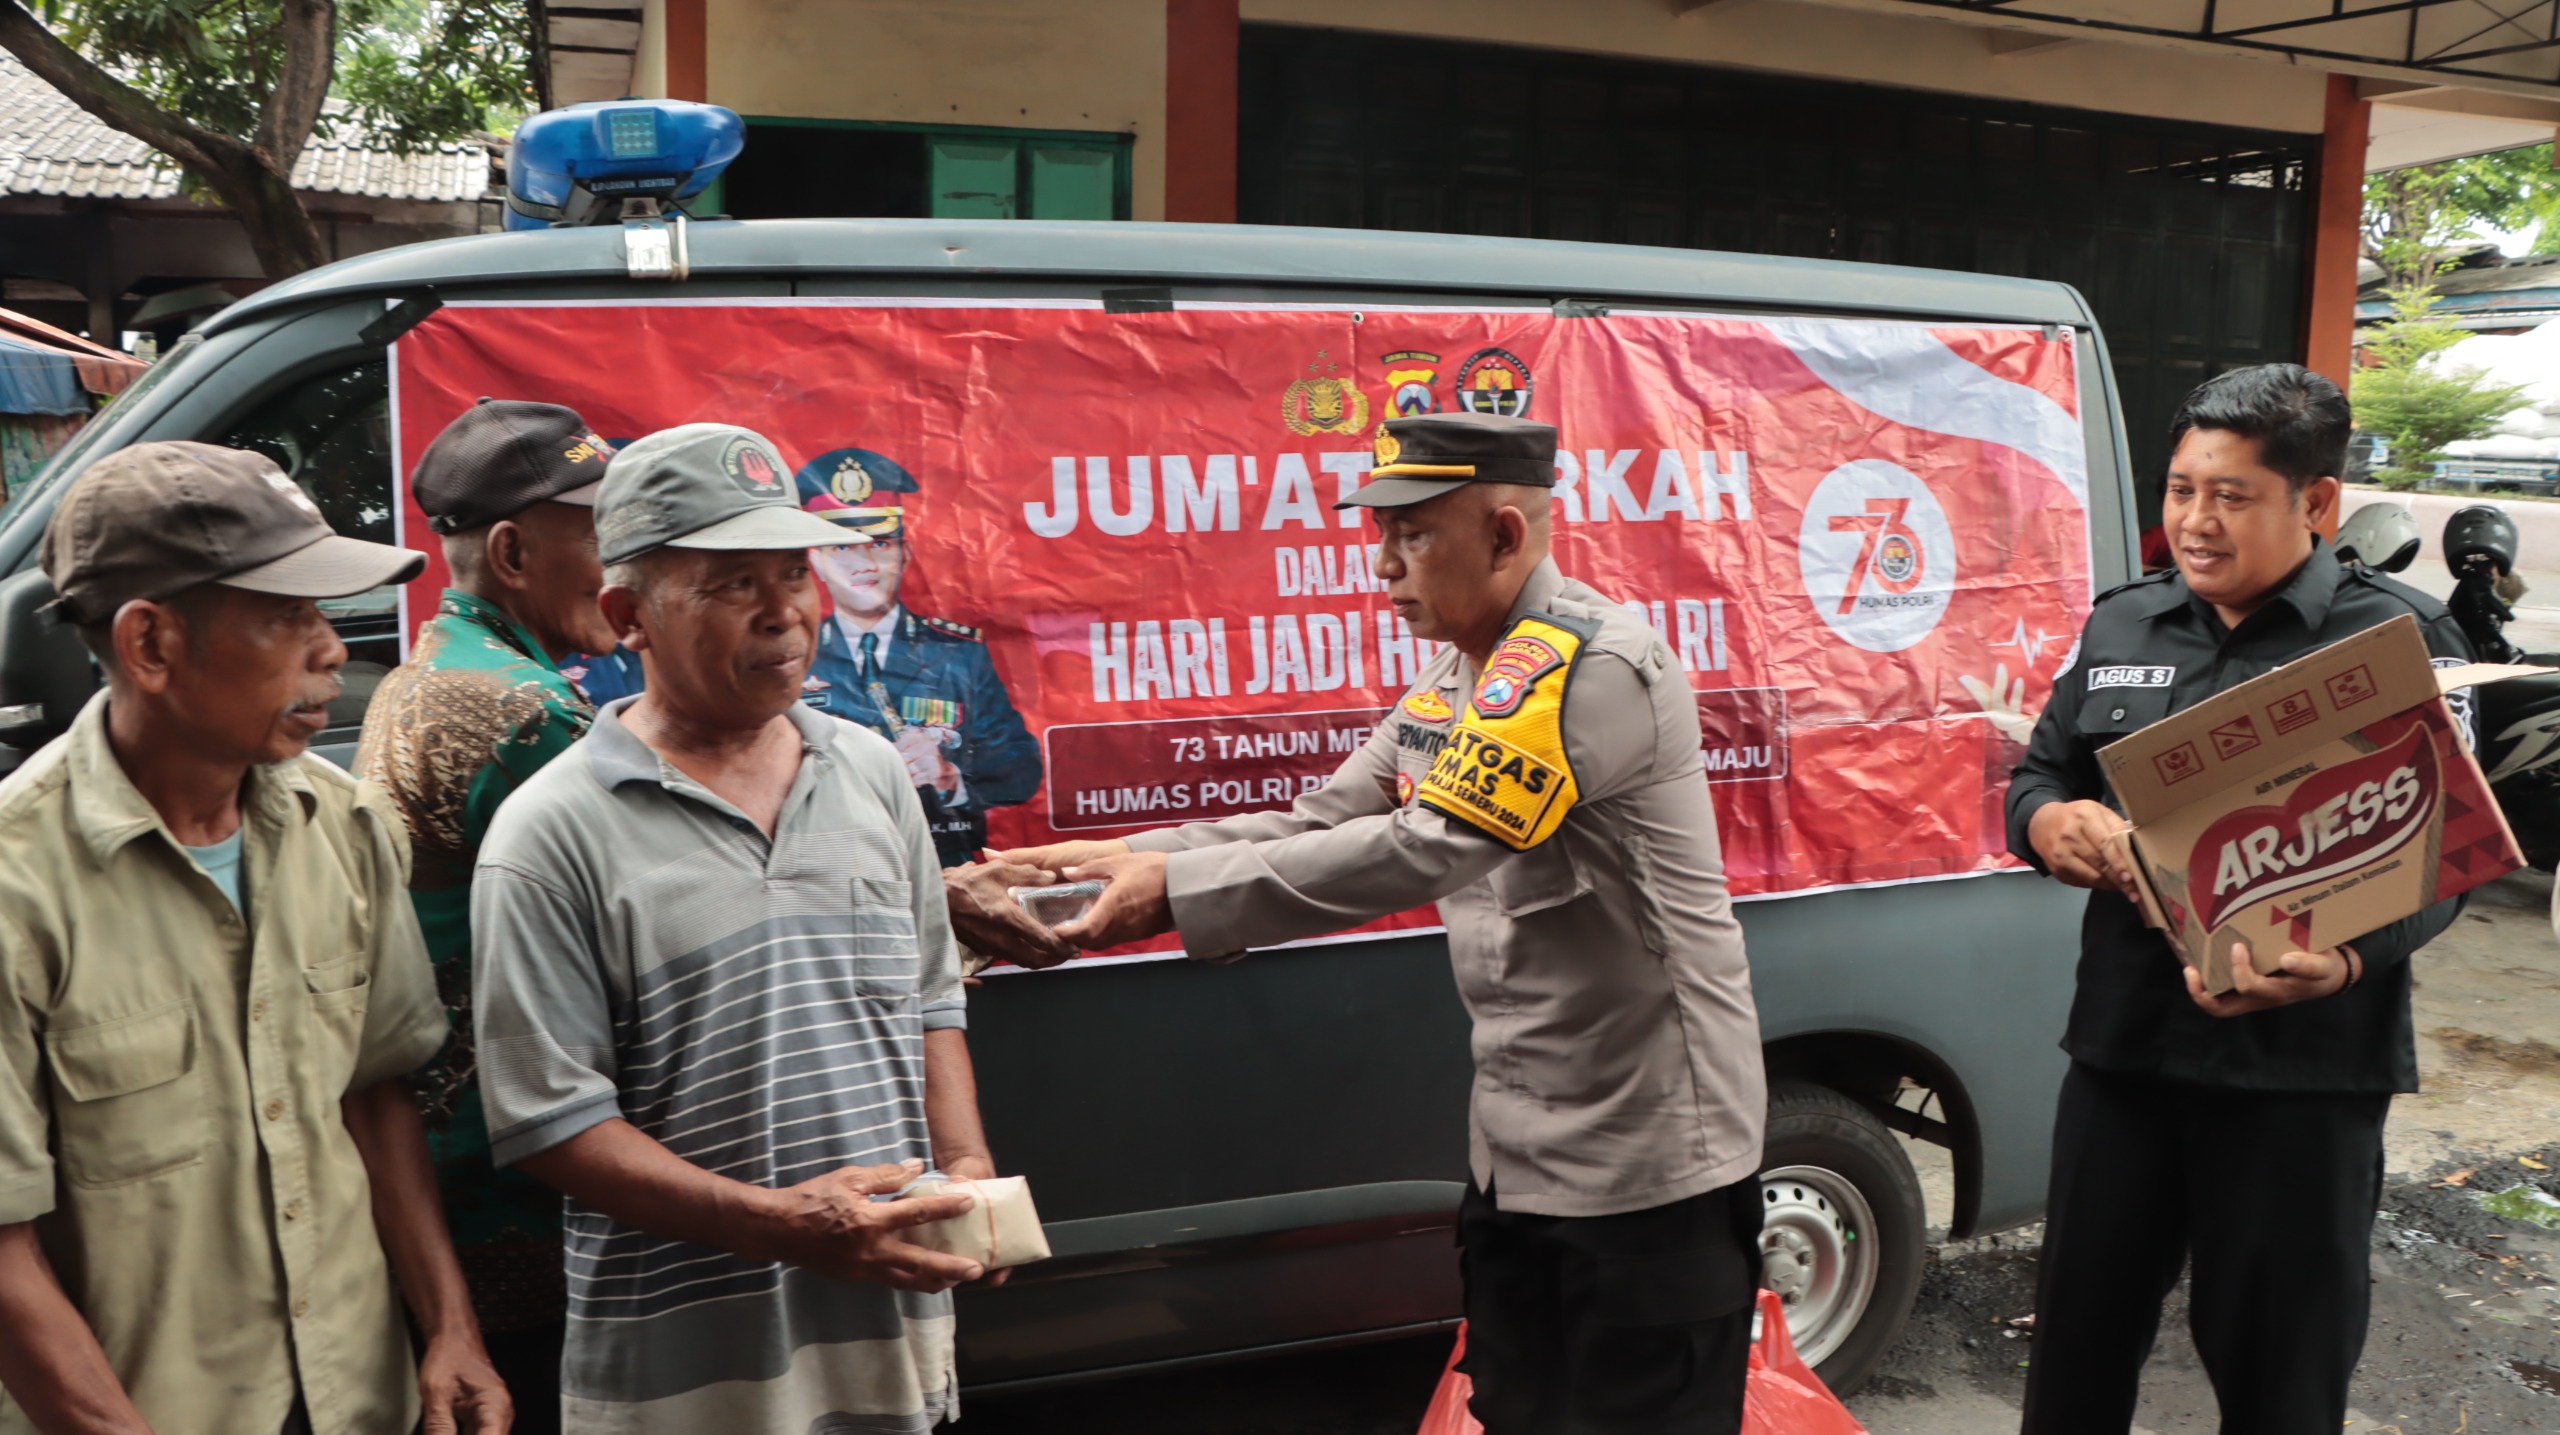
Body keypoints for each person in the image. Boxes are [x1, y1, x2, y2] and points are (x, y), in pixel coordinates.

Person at [1008, 412, 1768, 1435]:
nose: (1383, 566)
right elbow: (1326, 813)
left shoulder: (1589, 671)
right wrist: (1142, 854)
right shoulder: (1461, 676)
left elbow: (1427, 846)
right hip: (1518, 1158)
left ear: (1506, 535)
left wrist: (1174, 898)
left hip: (1648, 1167)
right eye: (1381, 537)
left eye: (1414, 536)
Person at [468, 423, 1012, 1434]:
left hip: (889, 1347)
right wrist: (785, 1227)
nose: (784, 613)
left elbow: (933, 1000)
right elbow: (550, 1125)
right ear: (628, 613)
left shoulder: (868, 769)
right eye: (729, 584)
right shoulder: (550, 831)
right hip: (688, 1380)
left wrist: (966, 1171)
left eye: (790, 574)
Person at [0, 443, 510, 1434]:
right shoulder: (17, 884)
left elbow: (374, 1093)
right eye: (287, 616)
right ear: (149, 644)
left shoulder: (345, 824)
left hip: (355, 1395)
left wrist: (450, 1328)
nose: (331, 650)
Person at [2006, 364, 2470, 1435]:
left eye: (2229, 496)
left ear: (2314, 502)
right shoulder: (2122, 623)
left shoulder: (2391, 641)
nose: (2194, 523)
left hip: (2301, 1082)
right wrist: (2044, 823)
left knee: (2280, 1379)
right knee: (2075, 1354)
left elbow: (2451, 851)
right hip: (2124, 1058)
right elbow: (2038, 774)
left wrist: (2347, 960)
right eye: (2179, 491)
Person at [354, 398, 621, 1433]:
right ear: (512, 551)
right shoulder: (526, 714)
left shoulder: (429, 674)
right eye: (600, 532)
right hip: (514, 1183)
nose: (624, 558)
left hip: (446, 1167)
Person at [796, 447, 1042, 866]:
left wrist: (952, 779)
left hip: (943, 871)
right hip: (826, 871)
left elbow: (1020, 769)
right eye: (842, 547)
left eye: (879, 543)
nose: (864, 563)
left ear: (904, 554)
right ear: (815, 560)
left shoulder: (958, 654)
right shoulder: (794, 659)